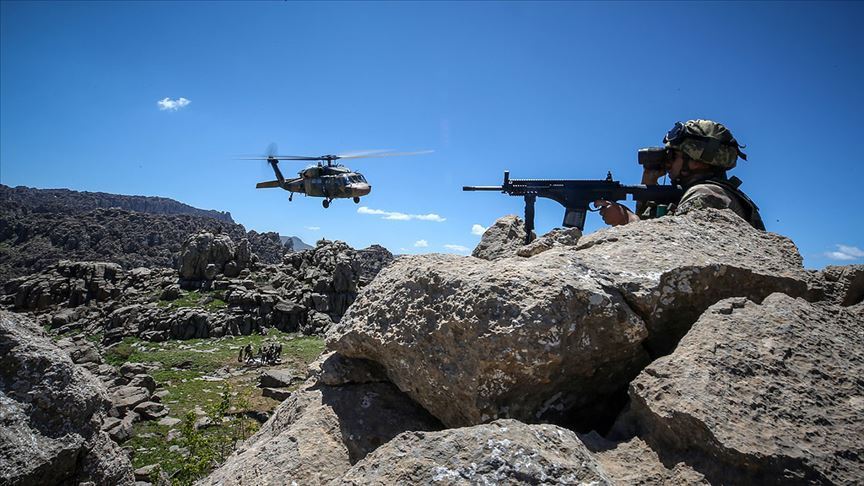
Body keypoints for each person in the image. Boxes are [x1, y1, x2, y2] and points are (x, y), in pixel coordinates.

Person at [595, 119, 765, 230]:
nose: (667, 163)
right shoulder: (706, 192)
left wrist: (627, 220)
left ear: (697, 161)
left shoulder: (706, 195)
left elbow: (673, 249)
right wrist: (649, 182)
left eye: (673, 156)